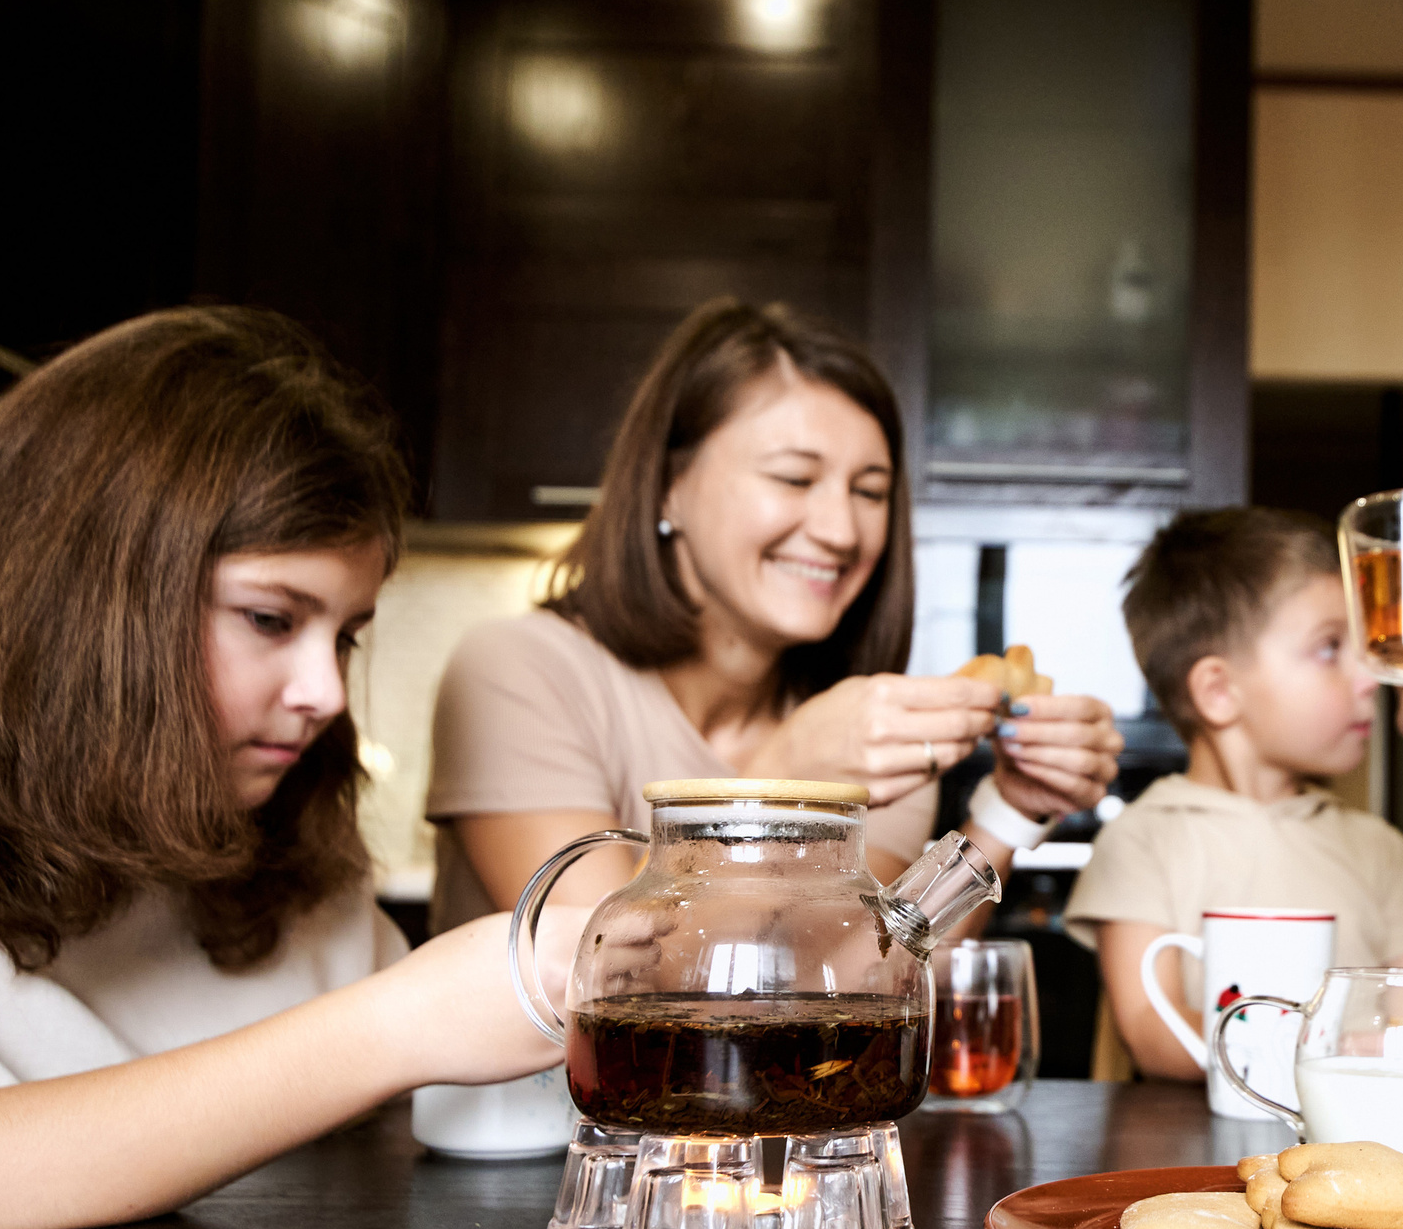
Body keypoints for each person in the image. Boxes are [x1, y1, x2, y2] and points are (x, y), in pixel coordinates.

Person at [0, 307, 568, 1229]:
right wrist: (391, 1025)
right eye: (270, 618)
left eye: (345, 634)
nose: (326, 693)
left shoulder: (288, 849)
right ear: (86, 596)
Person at [427, 299, 1124, 927]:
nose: (842, 530)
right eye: (794, 477)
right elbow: (610, 968)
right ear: (670, 488)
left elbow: (860, 970)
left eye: (870, 491)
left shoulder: (867, 733)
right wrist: (783, 774)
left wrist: (1010, 811)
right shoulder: (516, 672)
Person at [1066, 507, 1403, 1100]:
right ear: (1219, 691)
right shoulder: (1142, 840)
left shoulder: (1376, 846)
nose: (1371, 674)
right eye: (1329, 648)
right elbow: (1151, 1034)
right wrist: (1337, 1045)